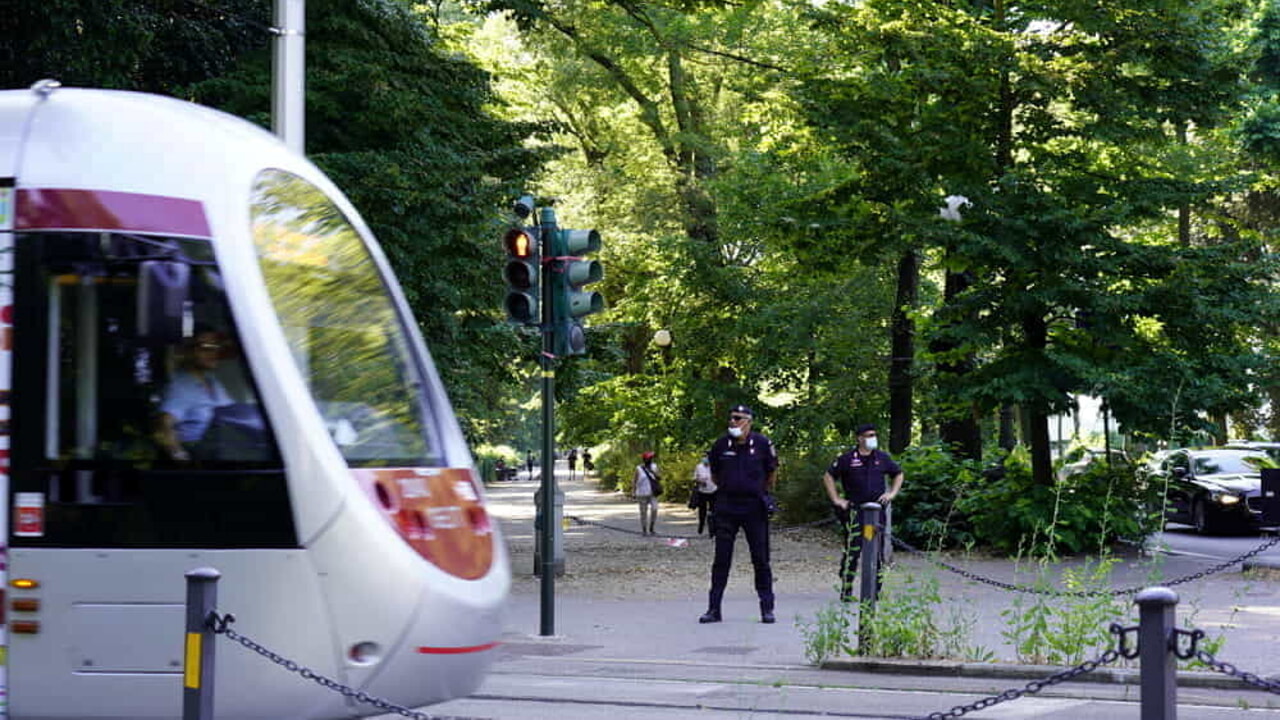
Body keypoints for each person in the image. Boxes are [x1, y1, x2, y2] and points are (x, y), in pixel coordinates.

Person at [700, 404, 778, 624]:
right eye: (731, 418)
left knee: (761, 559)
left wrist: (758, 491)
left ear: (748, 421)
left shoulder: (763, 444)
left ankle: (767, 608)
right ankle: (714, 609)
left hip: (754, 506)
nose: (732, 422)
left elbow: (771, 474)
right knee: (721, 560)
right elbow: (714, 474)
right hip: (726, 506)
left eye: (738, 418)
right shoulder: (720, 444)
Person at [822, 423, 904, 602]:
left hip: (875, 514)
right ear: (859, 438)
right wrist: (837, 499)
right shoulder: (847, 459)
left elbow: (898, 474)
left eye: (874, 435)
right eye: (868, 435)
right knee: (853, 549)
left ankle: (875, 591)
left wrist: (892, 493)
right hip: (855, 513)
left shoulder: (882, 458)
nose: (872, 438)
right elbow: (828, 476)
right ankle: (847, 588)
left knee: (875, 550)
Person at [156, 329, 234, 462]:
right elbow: (164, 427)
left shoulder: (212, 380)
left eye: (216, 347)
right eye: (206, 348)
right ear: (188, 351)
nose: (214, 353)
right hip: (200, 456)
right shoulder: (180, 386)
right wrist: (183, 461)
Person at [633, 451, 661, 535]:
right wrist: (633, 492)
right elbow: (634, 481)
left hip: (652, 493)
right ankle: (644, 529)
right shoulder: (638, 468)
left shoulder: (654, 466)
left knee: (654, 509)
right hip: (642, 494)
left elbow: (659, 477)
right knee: (643, 512)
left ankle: (652, 527)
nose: (651, 459)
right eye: (649, 458)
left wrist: (653, 472)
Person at [691, 454, 717, 536]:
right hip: (702, 491)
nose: (705, 459)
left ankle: (712, 529)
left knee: (713, 511)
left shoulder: (714, 466)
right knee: (702, 510)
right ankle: (701, 525)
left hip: (713, 491)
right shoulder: (698, 467)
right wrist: (699, 481)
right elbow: (694, 478)